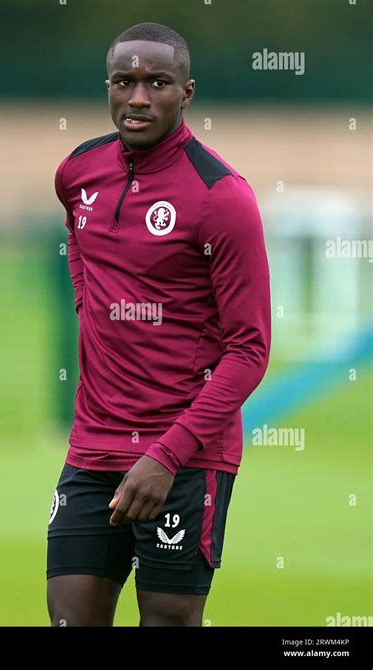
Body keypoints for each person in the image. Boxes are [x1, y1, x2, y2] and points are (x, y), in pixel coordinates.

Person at [47, 21, 271, 627]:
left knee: (167, 621)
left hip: (186, 453)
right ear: (110, 87)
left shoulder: (221, 197)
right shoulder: (79, 171)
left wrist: (168, 456)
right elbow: (78, 238)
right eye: (125, 81)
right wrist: (88, 309)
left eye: (158, 83)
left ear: (187, 93)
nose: (139, 97)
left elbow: (250, 350)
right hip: (93, 446)